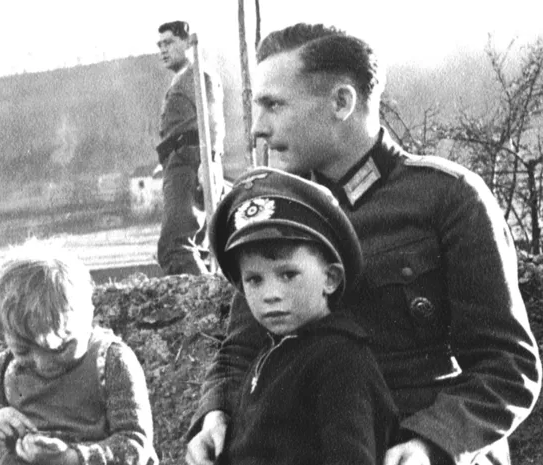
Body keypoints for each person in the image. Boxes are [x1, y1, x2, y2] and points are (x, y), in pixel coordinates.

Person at [186, 23, 542, 465]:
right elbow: (242, 346)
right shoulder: (277, 212)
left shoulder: (448, 198)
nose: (258, 128)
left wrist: (432, 442)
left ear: (342, 102)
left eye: (274, 105)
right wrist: (215, 413)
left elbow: (508, 365)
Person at [207, 166, 398, 464]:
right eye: (254, 279)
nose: (270, 293)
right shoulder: (275, 353)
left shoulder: (339, 360)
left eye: (288, 274)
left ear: (330, 279)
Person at [0, 240, 159, 465]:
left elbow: (135, 445)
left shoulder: (110, 361)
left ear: (87, 317)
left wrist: (70, 458)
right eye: (23, 350)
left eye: (59, 348)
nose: (43, 363)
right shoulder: (7, 369)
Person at [155, 20, 225, 276]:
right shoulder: (181, 79)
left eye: (170, 42)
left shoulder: (199, 76)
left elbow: (213, 124)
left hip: (191, 163)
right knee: (190, 245)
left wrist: (209, 165)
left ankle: (204, 305)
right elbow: (181, 127)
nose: (163, 49)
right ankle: (207, 299)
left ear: (187, 42)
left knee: (176, 246)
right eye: (160, 44)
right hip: (179, 163)